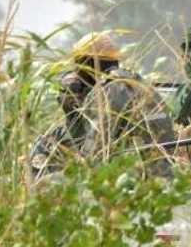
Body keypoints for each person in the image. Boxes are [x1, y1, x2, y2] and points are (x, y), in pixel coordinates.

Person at [31, 30, 176, 179]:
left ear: (86, 64)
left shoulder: (105, 93)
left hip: (132, 176)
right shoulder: (137, 82)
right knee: (57, 135)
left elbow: (94, 159)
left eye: (78, 66)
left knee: (45, 181)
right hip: (161, 170)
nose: (75, 73)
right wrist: (73, 112)